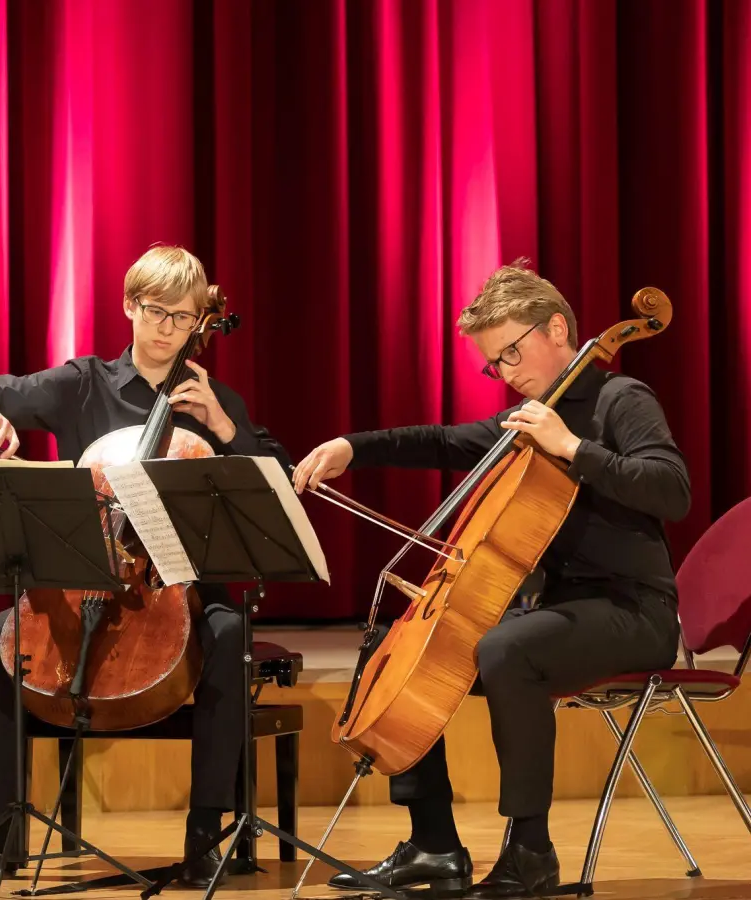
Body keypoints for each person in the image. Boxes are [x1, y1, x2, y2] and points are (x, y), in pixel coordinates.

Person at [292, 260, 688, 897]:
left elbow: (673, 491)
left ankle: (530, 851)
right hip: (562, 613)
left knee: (505, 648)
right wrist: (352, 447)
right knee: (400, 642)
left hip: (634, 612)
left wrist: (573, 448)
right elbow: (442, 441)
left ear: (557, 328)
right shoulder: (532, 417)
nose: (506, 374)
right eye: (494, 363)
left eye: (511, 352)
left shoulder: (620, 399)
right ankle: (434, 846)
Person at [0, 245, 292, 886]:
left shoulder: (212, 396)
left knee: (229, 634)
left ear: (201, 320)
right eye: (156, 312)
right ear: (129, 306)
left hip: (181, 585)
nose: (170, 330)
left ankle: (206, 834)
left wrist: (225, 428)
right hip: (87, 575)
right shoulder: (82, 384)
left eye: (184, 317)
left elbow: (278, 481)